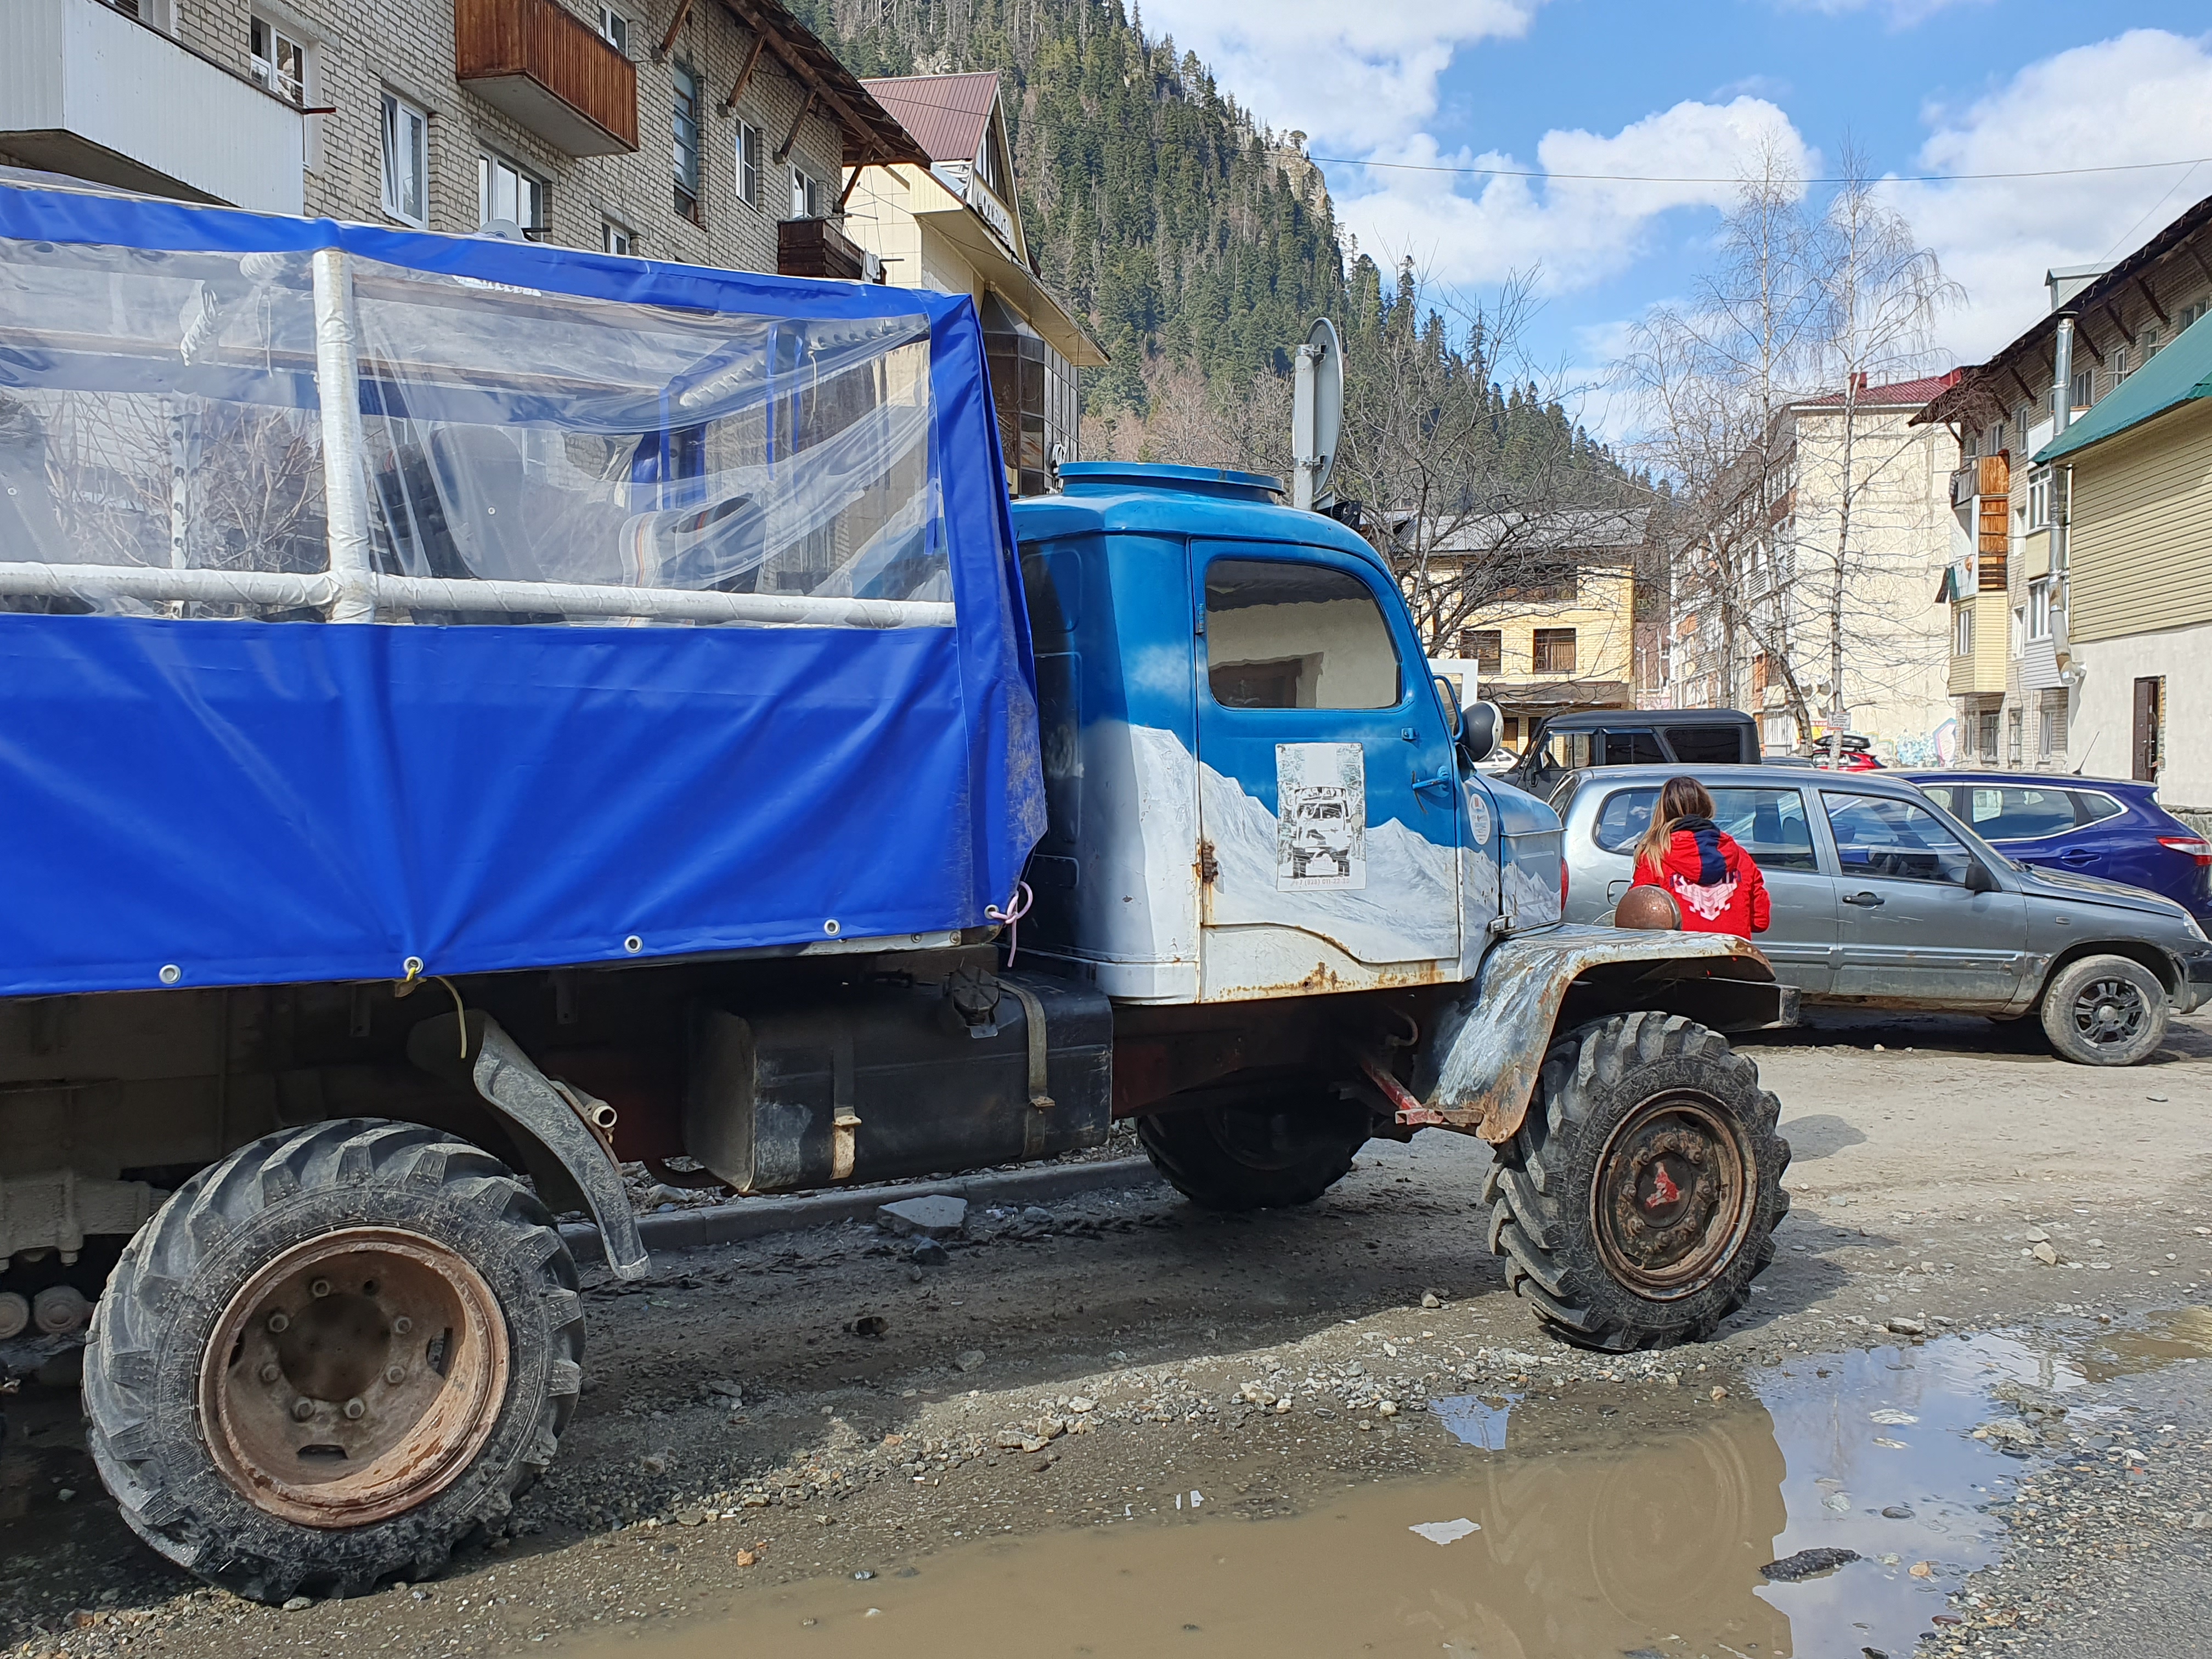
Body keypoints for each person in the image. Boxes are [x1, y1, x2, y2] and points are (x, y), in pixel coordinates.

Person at [1627, 776, 1769, 939]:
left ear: (1663, 810)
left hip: (1677, 952)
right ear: (1706, 805)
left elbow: (1636, 918)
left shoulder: (1654, 857)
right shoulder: (1740, 856)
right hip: (1732, 952)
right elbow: (1760, 921)